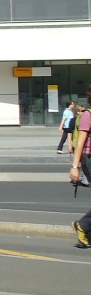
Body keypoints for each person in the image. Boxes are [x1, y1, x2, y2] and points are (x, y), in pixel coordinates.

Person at [68, 93, 91, 247]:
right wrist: (75, 167)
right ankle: (83, 226)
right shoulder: (88, 115)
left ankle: (86, 232)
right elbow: (81, 142)